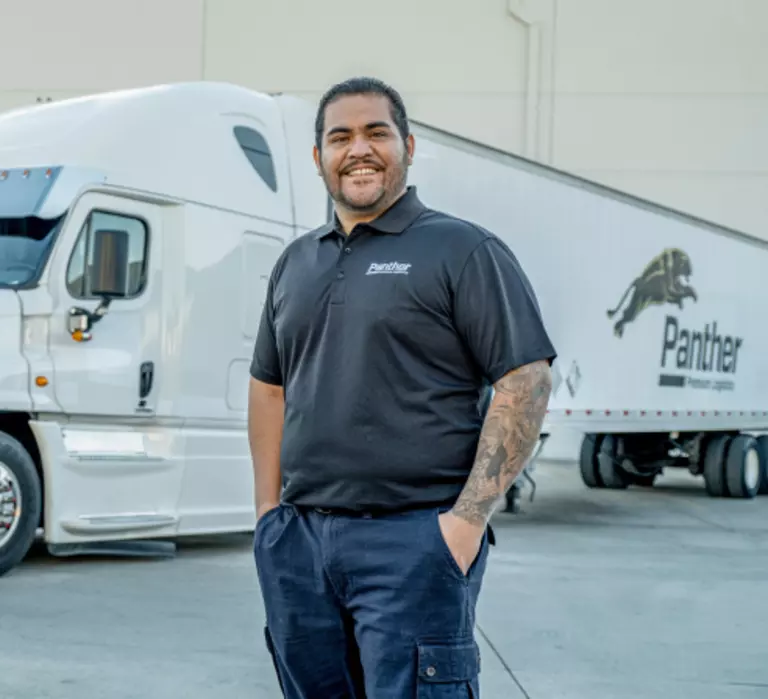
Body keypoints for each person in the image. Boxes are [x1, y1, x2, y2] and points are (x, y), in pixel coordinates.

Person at [248, 76, 556, 699]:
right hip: (300, 546)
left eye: (376, 133)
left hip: (414, 542)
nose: (358, 149)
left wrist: (464, 525)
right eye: (340, 137)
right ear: (318, 159)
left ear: (407, 147)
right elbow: (269, 389)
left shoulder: (462, 250)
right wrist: (267, 520)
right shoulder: (295, 262)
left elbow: (525, 380)